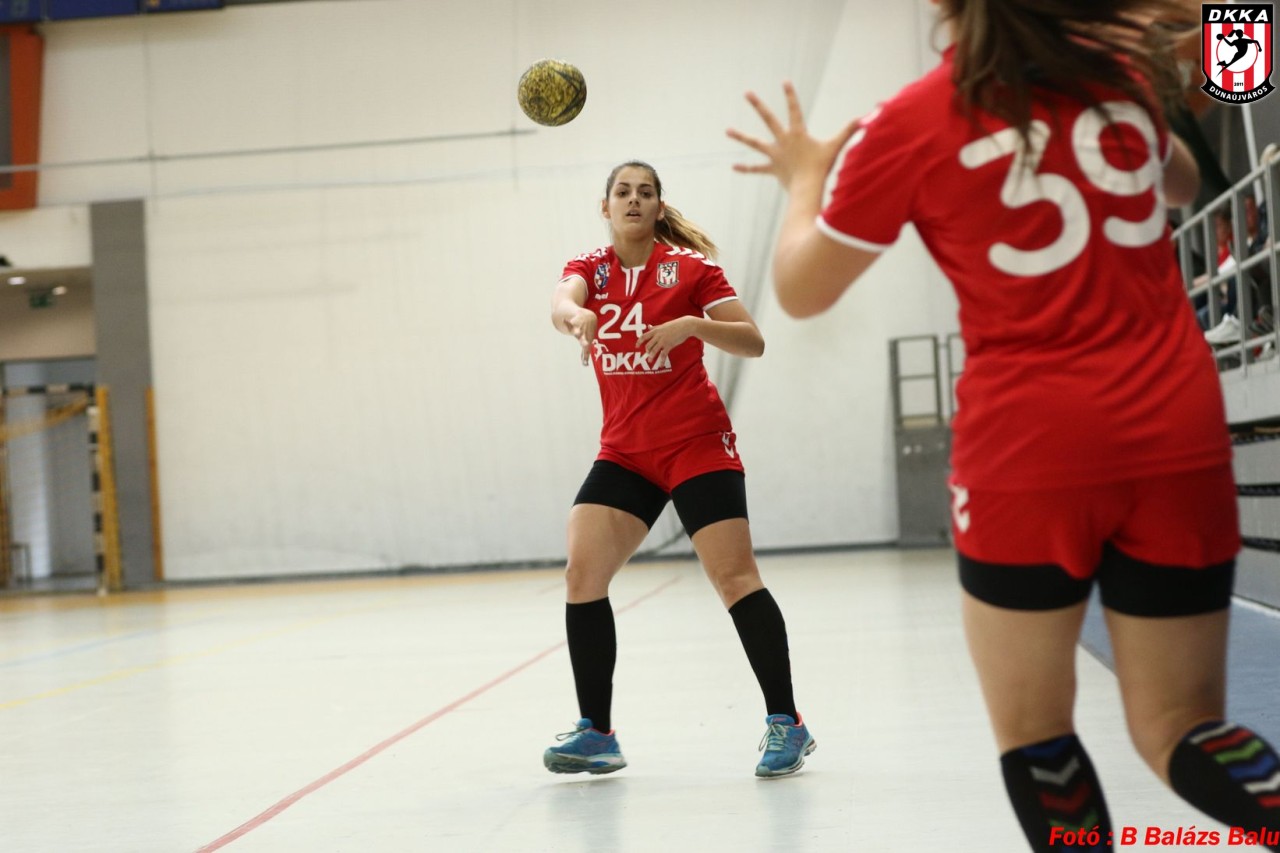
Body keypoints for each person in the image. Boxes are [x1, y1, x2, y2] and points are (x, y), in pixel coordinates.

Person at [728, 0, 1280, 850]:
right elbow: (1177, 184)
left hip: (1028, 450)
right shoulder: (1115, 76)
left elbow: (802, 289)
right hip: (1175, 428)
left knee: (1038, 736)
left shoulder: (908, 122)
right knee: (1181, 723)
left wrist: (805, 178)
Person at [543, 160, 816, 779]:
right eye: (622, 192)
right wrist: (576, 318)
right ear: (605, 206)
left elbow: (752, 340)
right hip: (626, 452)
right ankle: (597, 734)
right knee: (583, 573)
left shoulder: (691, 269)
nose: (633, 200)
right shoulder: (590, 268)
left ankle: (788, 722)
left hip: (696, 444)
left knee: (734, 578)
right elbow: (562, 303)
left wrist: (693, 325)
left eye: (645, 193)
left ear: (659, 207)